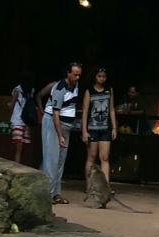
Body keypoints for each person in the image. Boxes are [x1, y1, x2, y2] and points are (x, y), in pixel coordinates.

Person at [41, 63, 82, 204]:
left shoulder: (75, 86)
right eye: (75, 74)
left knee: (60, 161)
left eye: (79, 75)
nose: (77, 77)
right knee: (51, 160)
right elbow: (55, 115)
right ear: (68, 73)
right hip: (54, 124)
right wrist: (60, 136)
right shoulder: (60, 88)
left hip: (66, 125)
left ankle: (56, 193)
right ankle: (48, 194)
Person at [82, 67, 118, 192]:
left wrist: (114, 127)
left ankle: (105, 186)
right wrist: (84, 131)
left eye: (104, 76)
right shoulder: (89, 91)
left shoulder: (109, 90)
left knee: (104, 157)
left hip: (105, 128)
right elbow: (85, 111)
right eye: (99, 76)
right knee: (91, 156)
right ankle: (89, 186)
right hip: (92, 128)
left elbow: (112, 109)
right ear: (95, 77)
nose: (102, 79)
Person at [9, 70, 38, 165]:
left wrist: (8, 115)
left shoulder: (18, 90)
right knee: (22, 146)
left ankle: (18, 165)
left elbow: (12, 105)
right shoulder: (31, 90)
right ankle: (19, 165)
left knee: (19, 147)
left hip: (18, 120)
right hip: (25, 121)